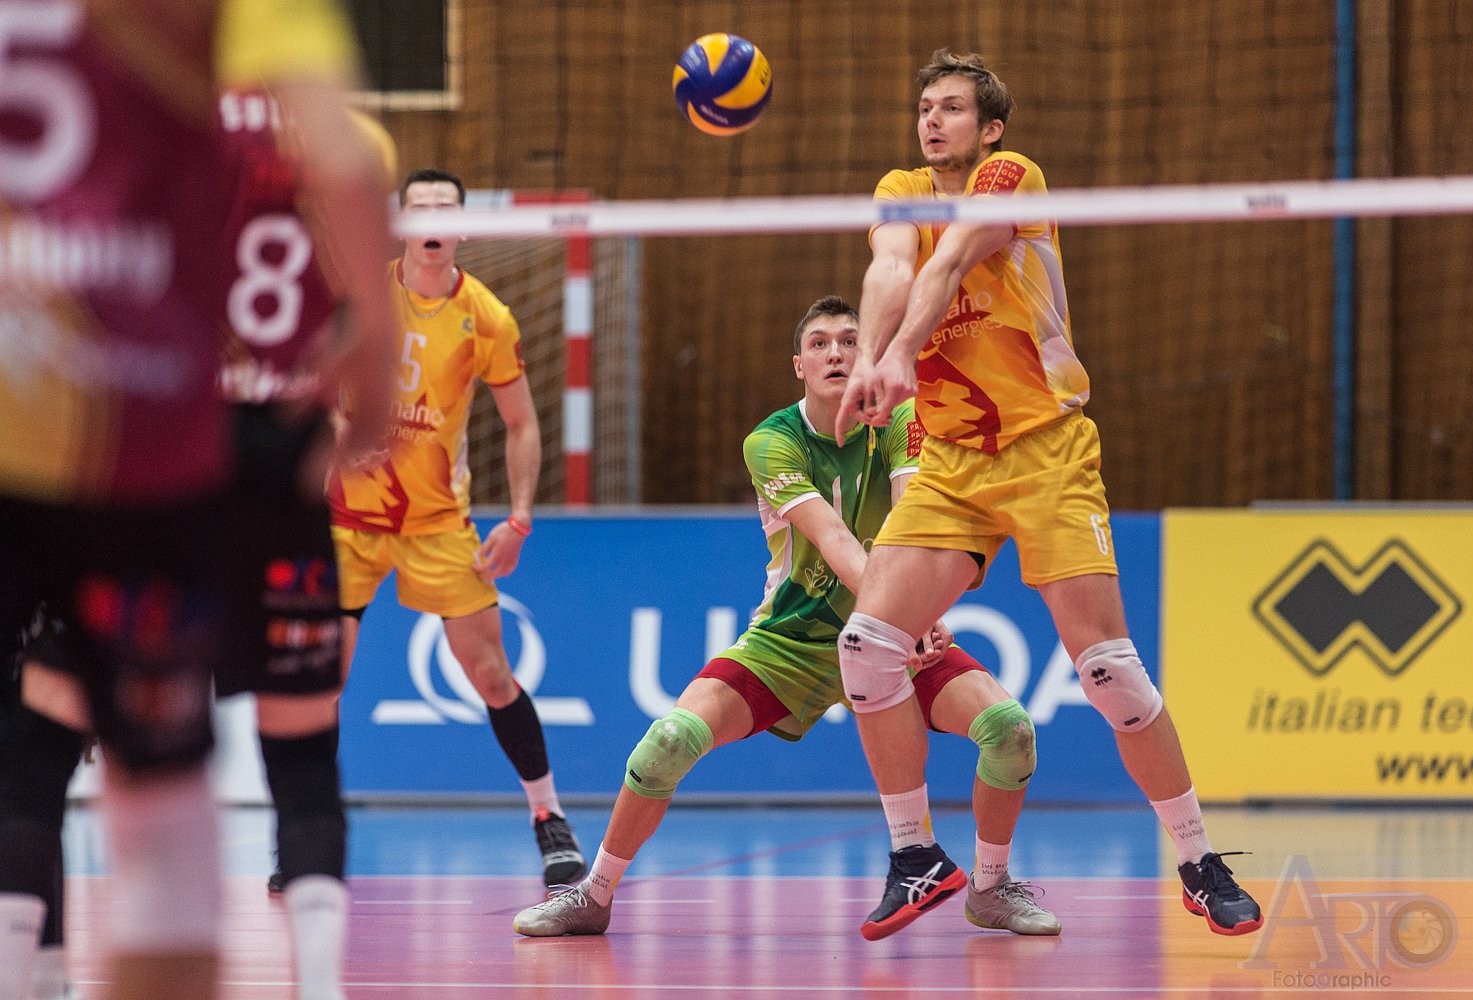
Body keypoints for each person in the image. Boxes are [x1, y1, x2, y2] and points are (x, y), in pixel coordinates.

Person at [0, 3, 396, 999]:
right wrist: (378, 353)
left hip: (68, 413)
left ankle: (31, 972)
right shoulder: (237, 58)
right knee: (235, 767)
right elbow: (346, 163)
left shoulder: (163, 105)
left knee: (40, 739)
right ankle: (316, 985)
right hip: (206, 443)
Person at [831, 49, 1263, 939]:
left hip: (1046, 451)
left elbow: (950, 261)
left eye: (952, 107)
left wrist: (902, 354)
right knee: (867, 648)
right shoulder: (900, 189)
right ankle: (915, 857)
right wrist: (871, 356)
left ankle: (1198, 861)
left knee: (1111, 673)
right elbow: (892, 269)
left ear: (990, 127)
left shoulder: (1011, 176)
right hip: (951, 462)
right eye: (925, 106)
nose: (932, 119)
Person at [513, 296, 1058, 941]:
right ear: (798, 365)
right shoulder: (772, 441)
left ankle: (990, 888)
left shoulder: (905, 420)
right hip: (792, 642)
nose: (835, 353)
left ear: (869, 355)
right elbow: (833, 538)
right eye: (820, 344)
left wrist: (917, 611)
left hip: (891, 638)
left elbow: (915, 524)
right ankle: (594, 894)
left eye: (850, 341)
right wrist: (906, 613)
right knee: (666, 745)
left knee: (1009, 731)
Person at [325, 167, 587, 886]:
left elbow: (521, 423)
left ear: (464, 229)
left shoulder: (488, 318)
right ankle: (306, 832)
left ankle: (549, 817)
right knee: (322, 680)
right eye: (421, 208)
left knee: (492, 675)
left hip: (438, 521)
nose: (433, 219)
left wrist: (520, 519)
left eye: (446, 209)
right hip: (349, 518)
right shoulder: (358, 295)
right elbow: (307, 384)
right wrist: (342, 431)